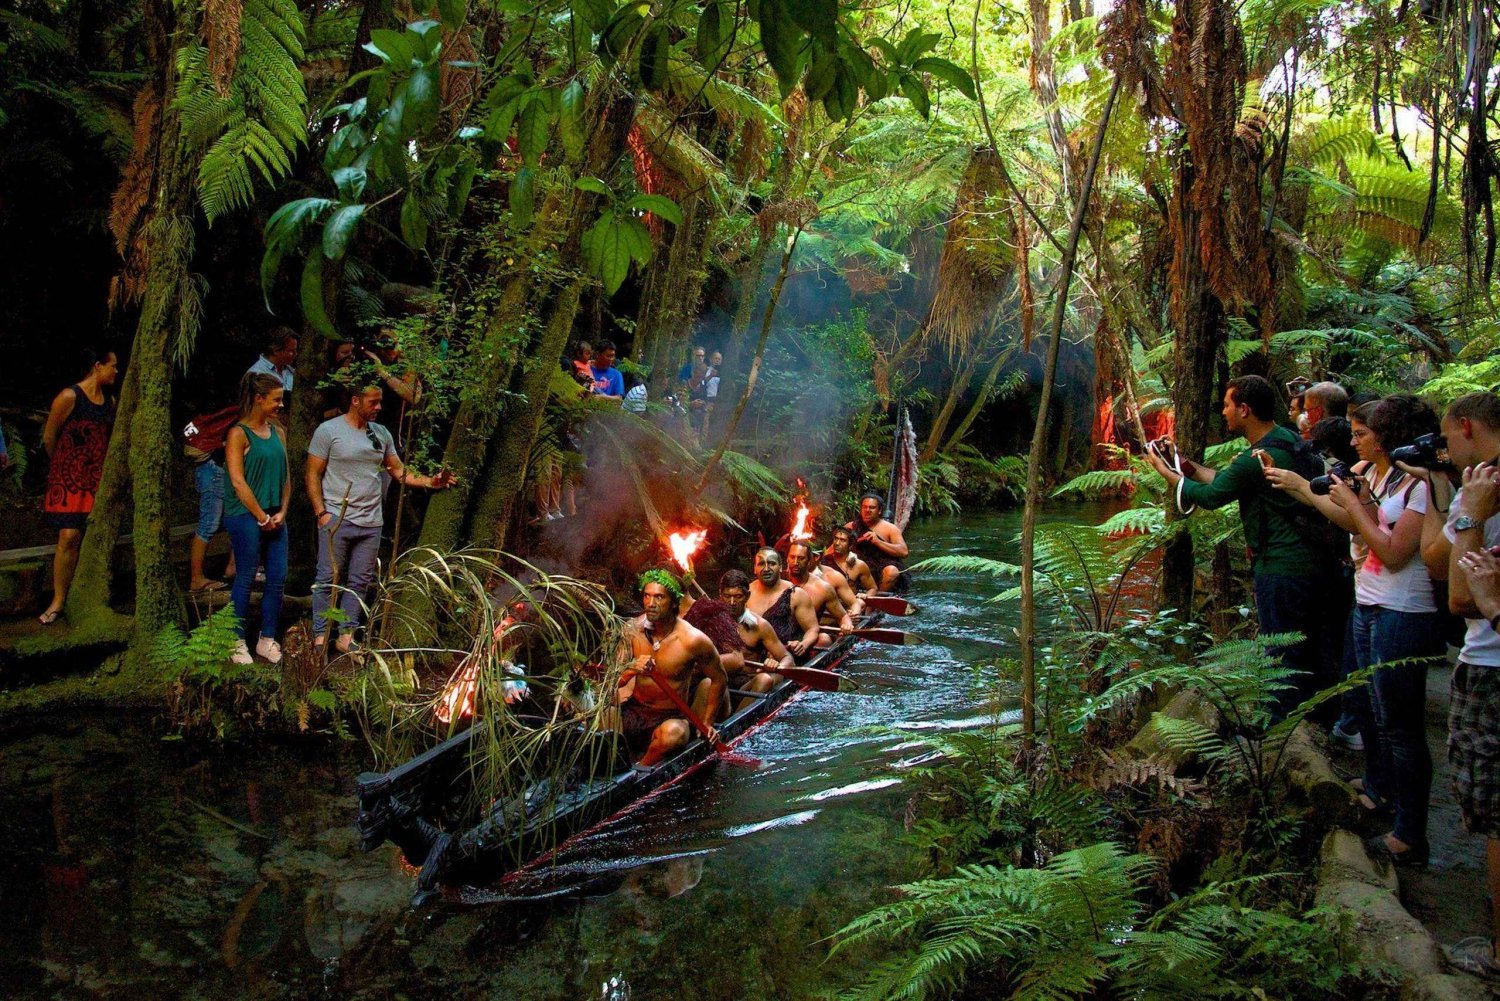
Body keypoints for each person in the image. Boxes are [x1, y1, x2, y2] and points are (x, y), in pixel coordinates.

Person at [1266, 395, 1445, 866]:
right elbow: (1353, 523)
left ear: (1387, 437)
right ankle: (1378, 787)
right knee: (1367, 706)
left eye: (1362, 433)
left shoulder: (1423, 488)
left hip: (1402, 611)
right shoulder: (1384, 476)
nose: (1354, 439)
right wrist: (1305, 489)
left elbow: (1390, 551)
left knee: (1400, 725)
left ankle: (1409, 833)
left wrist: (1351, 500)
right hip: (1368, 603)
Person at [1145, 374, 1343, 720]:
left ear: (1245, 409)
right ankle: (1316, 724)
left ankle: (1282, 732)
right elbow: (1226, 479)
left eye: (1226, 405)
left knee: (1281, 656)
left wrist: (1167, 472)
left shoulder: (1258, 456)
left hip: (1281, 568)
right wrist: (1185, 464)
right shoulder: (1286, 440)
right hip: (1312, 565)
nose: (1223, 412)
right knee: (1309, 650)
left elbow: (1211, 496)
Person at [1406, 390, 1500, 975]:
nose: (1444, 448)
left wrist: (1469, 512)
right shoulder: (1477, 488)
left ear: (1465, 427)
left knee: (1495, 818)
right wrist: (1450, 494)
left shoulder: (1487, 497)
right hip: (1484, 658)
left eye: (1448, 437)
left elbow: (1461, 597)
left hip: (1491, 669)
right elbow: (1438, 560)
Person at [306, 383, 453, 655]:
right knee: (328, 578)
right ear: (355, 400)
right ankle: (319, 637)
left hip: (371, 521)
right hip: (337, 518)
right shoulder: (328, 431)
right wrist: (321, 512)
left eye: (380, 402)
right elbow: (313, 473)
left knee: (359, 580)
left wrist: (431, 482)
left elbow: (398, 471)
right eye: (373, 402)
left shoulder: (380, 433)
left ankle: (346, 636)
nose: (379, 407)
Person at [608, 570, 726, 767]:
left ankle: (640, 769)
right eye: (647, 596)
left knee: (674, 735)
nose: (650, 603)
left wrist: (707, 722)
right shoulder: (631, 630)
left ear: (673, 602)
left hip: (670, 716)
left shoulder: (692, 640)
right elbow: (612, 681)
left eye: (658, 597)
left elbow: (719, 678)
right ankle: (615, 764)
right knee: (598, 717)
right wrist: (631, 670)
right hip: (634, 710)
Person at [38, 347, 119, 624]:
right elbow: (50, 437)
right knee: (68, 536)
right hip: (68, 477)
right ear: (98, 366)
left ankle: (85, 594)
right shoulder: (69, 397)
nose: (116, 372)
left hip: (96, 479)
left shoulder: (111, 401)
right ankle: (58, 597)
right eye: (113, 366)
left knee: (92, 537)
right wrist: (63, 466)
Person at [222, 373, 291, 665]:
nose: (280, 404)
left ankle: (267, 638)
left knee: (277, 577)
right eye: (276, 399)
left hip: (275, 514)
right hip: (246, 515)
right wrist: (261, 516)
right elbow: (238, 481)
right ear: (259, 399)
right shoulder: (238, 433)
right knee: (246, 575)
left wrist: (282, 511)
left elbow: (287, 476)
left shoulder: (279, 432)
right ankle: (236, 640)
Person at [718, 569, 794, 688]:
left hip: (747, 685)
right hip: (718, 681)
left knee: (764, 679)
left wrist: (776, 666)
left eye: (738, 596)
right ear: (720, 595)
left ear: (747, 596)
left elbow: (787, 658)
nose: (732, 602)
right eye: (727, 596)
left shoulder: (760, 625)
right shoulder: (712, 622)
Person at [746, 547, 821, 659]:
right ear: (754, 569)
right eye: (761, 564)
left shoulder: (796, 594)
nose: (766, 569)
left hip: (786, 656)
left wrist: (803, 644)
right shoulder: (745, 594)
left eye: (772, 563)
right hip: (753, 657)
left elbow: (812, 629)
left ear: (781, 567)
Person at [785, 541, 857, 642]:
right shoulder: (776, 581)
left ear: (809, 561)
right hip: (776, 638)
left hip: (806, 638)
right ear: (787, 559)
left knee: (824, 639)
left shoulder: (823, 588)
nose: (796, 562)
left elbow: (843, 616)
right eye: (792, 557)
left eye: (801, 558)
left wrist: (847, 625)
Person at [846, 492, 909, 591]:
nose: (867, 510)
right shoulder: (850, 527)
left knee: (892, 571)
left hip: (881, 569)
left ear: (879, 511)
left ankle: (877, 600)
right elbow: (834, 547)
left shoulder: (890, 529)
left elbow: (904, 552)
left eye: (872, 507)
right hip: (856, 566)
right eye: (864, 507)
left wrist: (878, 542)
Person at [825, 526, 879, 597]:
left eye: (842, 540)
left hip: (850, 605)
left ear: (850, 545)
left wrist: (861, 602)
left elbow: (873, 588)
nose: (837, 543)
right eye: (836, 539)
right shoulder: (824, 561)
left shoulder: (859, 565)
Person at [247, 328, 298, 392]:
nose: (296, 354)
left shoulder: (292, 372)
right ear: (276, 350)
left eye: (295, 350)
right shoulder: (257, 373)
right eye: (291, 351)